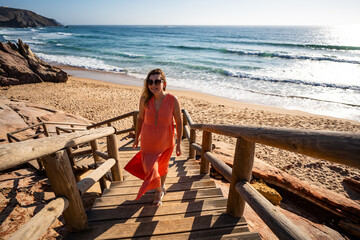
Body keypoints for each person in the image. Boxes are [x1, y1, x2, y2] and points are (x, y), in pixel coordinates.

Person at [124, 69, 183, 206]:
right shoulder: (144, 99)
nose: (153, 85)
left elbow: (179, 122)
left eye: (157, 81)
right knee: (150, 167)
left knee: (163, 166)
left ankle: (159, 190)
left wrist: (179, 143)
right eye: (150, 82)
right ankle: (159, 188)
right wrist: (136, 138)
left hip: (166, 140)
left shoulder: (173, 100)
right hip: (148, 140)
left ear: (164, 83)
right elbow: (140, 119)